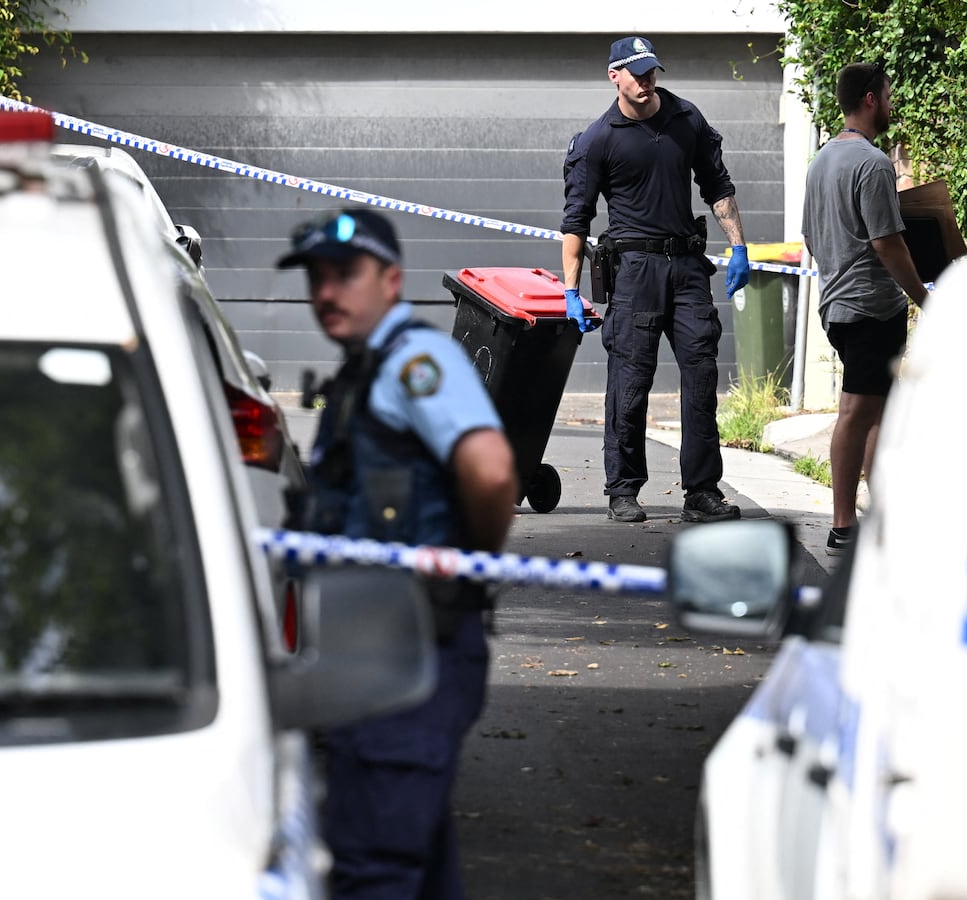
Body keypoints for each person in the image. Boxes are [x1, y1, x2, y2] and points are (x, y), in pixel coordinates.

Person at [276, 208, 517, 899]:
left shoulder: (417, 361)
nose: (327, 292)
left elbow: (493, 471)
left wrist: (465, 569)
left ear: (391, 280)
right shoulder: (366, 371)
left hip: (413, 658)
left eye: (345, 274)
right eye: (317, 278)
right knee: (414, 864)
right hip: (379, 658)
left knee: (374, 867)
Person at [561, 35, 750, 525]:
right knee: (630, 381)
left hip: (687, 268)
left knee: (702, 375)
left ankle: (702, 492)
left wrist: (739, 246)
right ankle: (623, 489)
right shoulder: (598, 139)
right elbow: (576, 221)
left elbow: (718, 186)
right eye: (636, 72)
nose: (646, 81)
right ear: (614, 76)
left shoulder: (686, 119)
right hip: (634, 273)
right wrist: (571, 290)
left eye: (651, 72)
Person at [801, 63, 929, 556]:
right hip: (871, 308)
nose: (893, 101)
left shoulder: (821, 162)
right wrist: (923, 297)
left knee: (877, 412)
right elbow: (887, 243)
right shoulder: (872, 163)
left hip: (836, 304)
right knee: (857, 412)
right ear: (872, 99)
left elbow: (812, 238)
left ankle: (882, 519)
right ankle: (842, 525)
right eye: (889, 93)